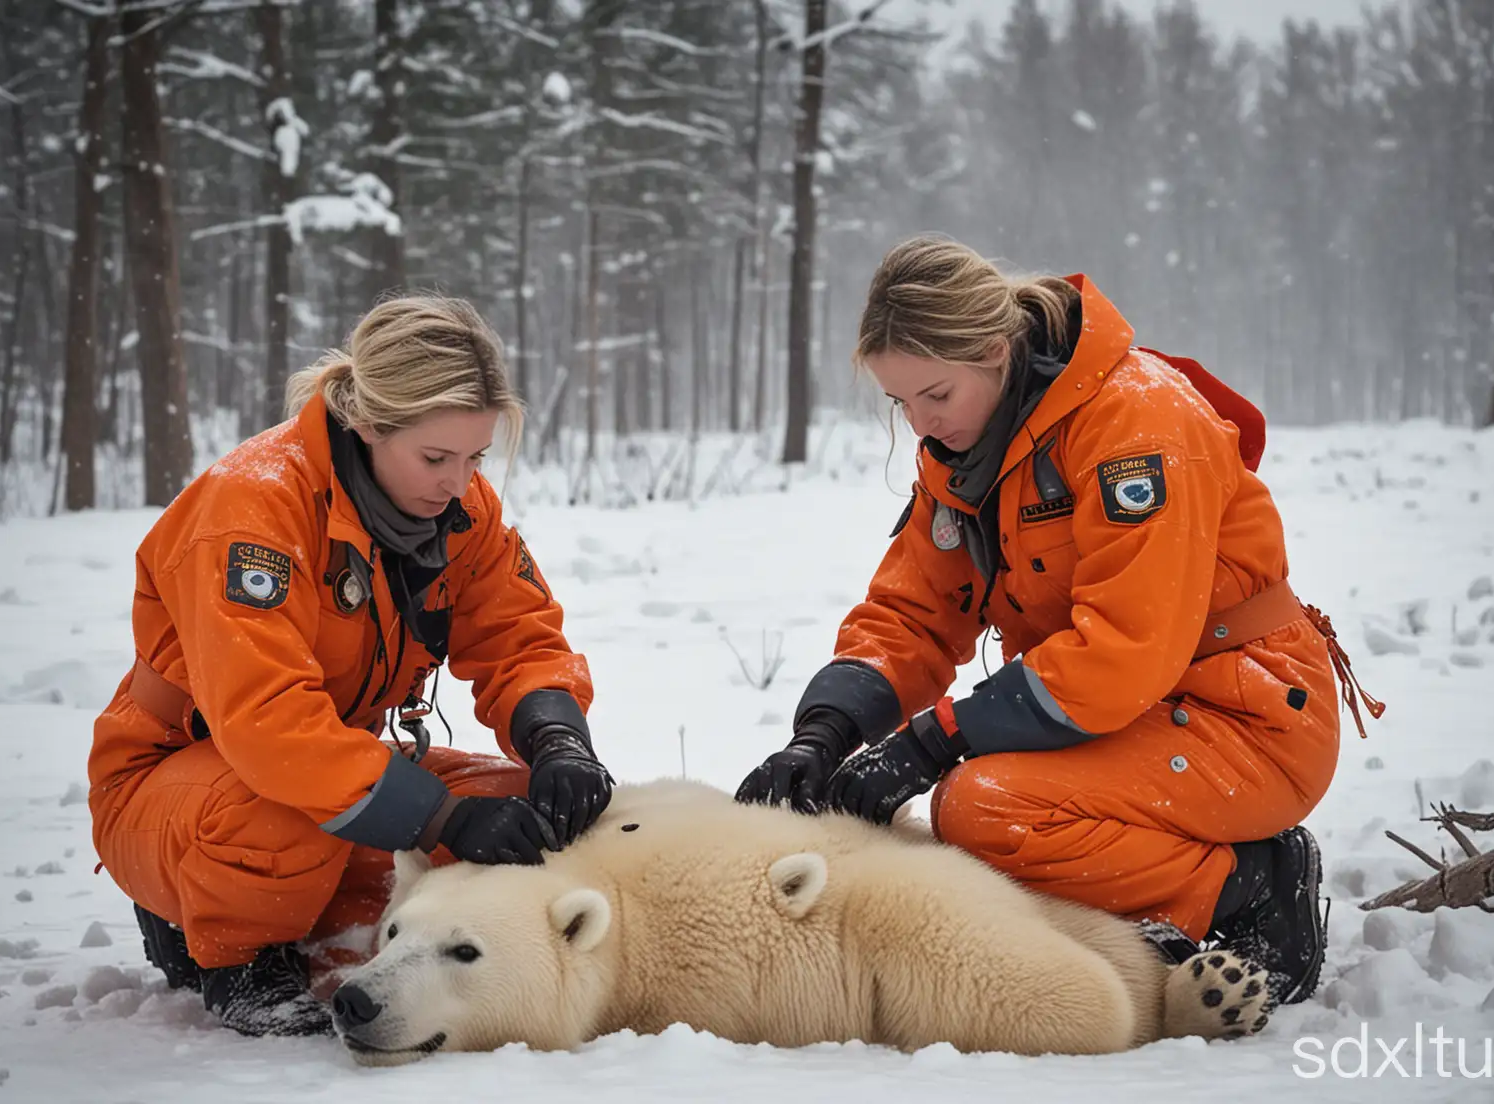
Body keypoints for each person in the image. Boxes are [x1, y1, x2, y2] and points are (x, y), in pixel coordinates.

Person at [736, 235, 1382, 1006]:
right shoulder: (969, 448)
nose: (919, 425)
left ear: (996, 350)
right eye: (899, 403)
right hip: (1119, 715)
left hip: (1245, 716)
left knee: (984, 809)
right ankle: (1159, 900)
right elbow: (912, 613)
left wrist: (933, 739)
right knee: (981, 800)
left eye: (935, 395)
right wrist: (827, 731)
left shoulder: (1135, 422)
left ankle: (1252, 887)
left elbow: (1125, 649)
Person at [88, 296, 613, 1037]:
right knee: (285, 814)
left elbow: (519, 637)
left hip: (332, 763)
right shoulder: (254, 509)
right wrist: (441, 815)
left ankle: (316, 916)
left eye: (475, 458)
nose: (460, 484)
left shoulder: (460, 510)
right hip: (186, 781)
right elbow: (268, 725)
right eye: (436, 458)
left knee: (529, 812)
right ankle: (229, 951)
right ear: (366, 423)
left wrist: (557, 737)